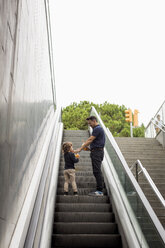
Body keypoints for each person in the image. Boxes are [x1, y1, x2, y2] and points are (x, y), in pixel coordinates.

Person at [74, 116, 105, 196]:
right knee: (96, 171)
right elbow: (96, 143)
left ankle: (100, 191)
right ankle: (99, 190)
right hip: (96, 151)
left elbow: (90, 140)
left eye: (90, 123)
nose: (89, 125)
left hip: (97, 153)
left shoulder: (97, 129)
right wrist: (88, 149)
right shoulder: (96, 129)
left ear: (94, 121)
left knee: (97, 171)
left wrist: (80, 149)